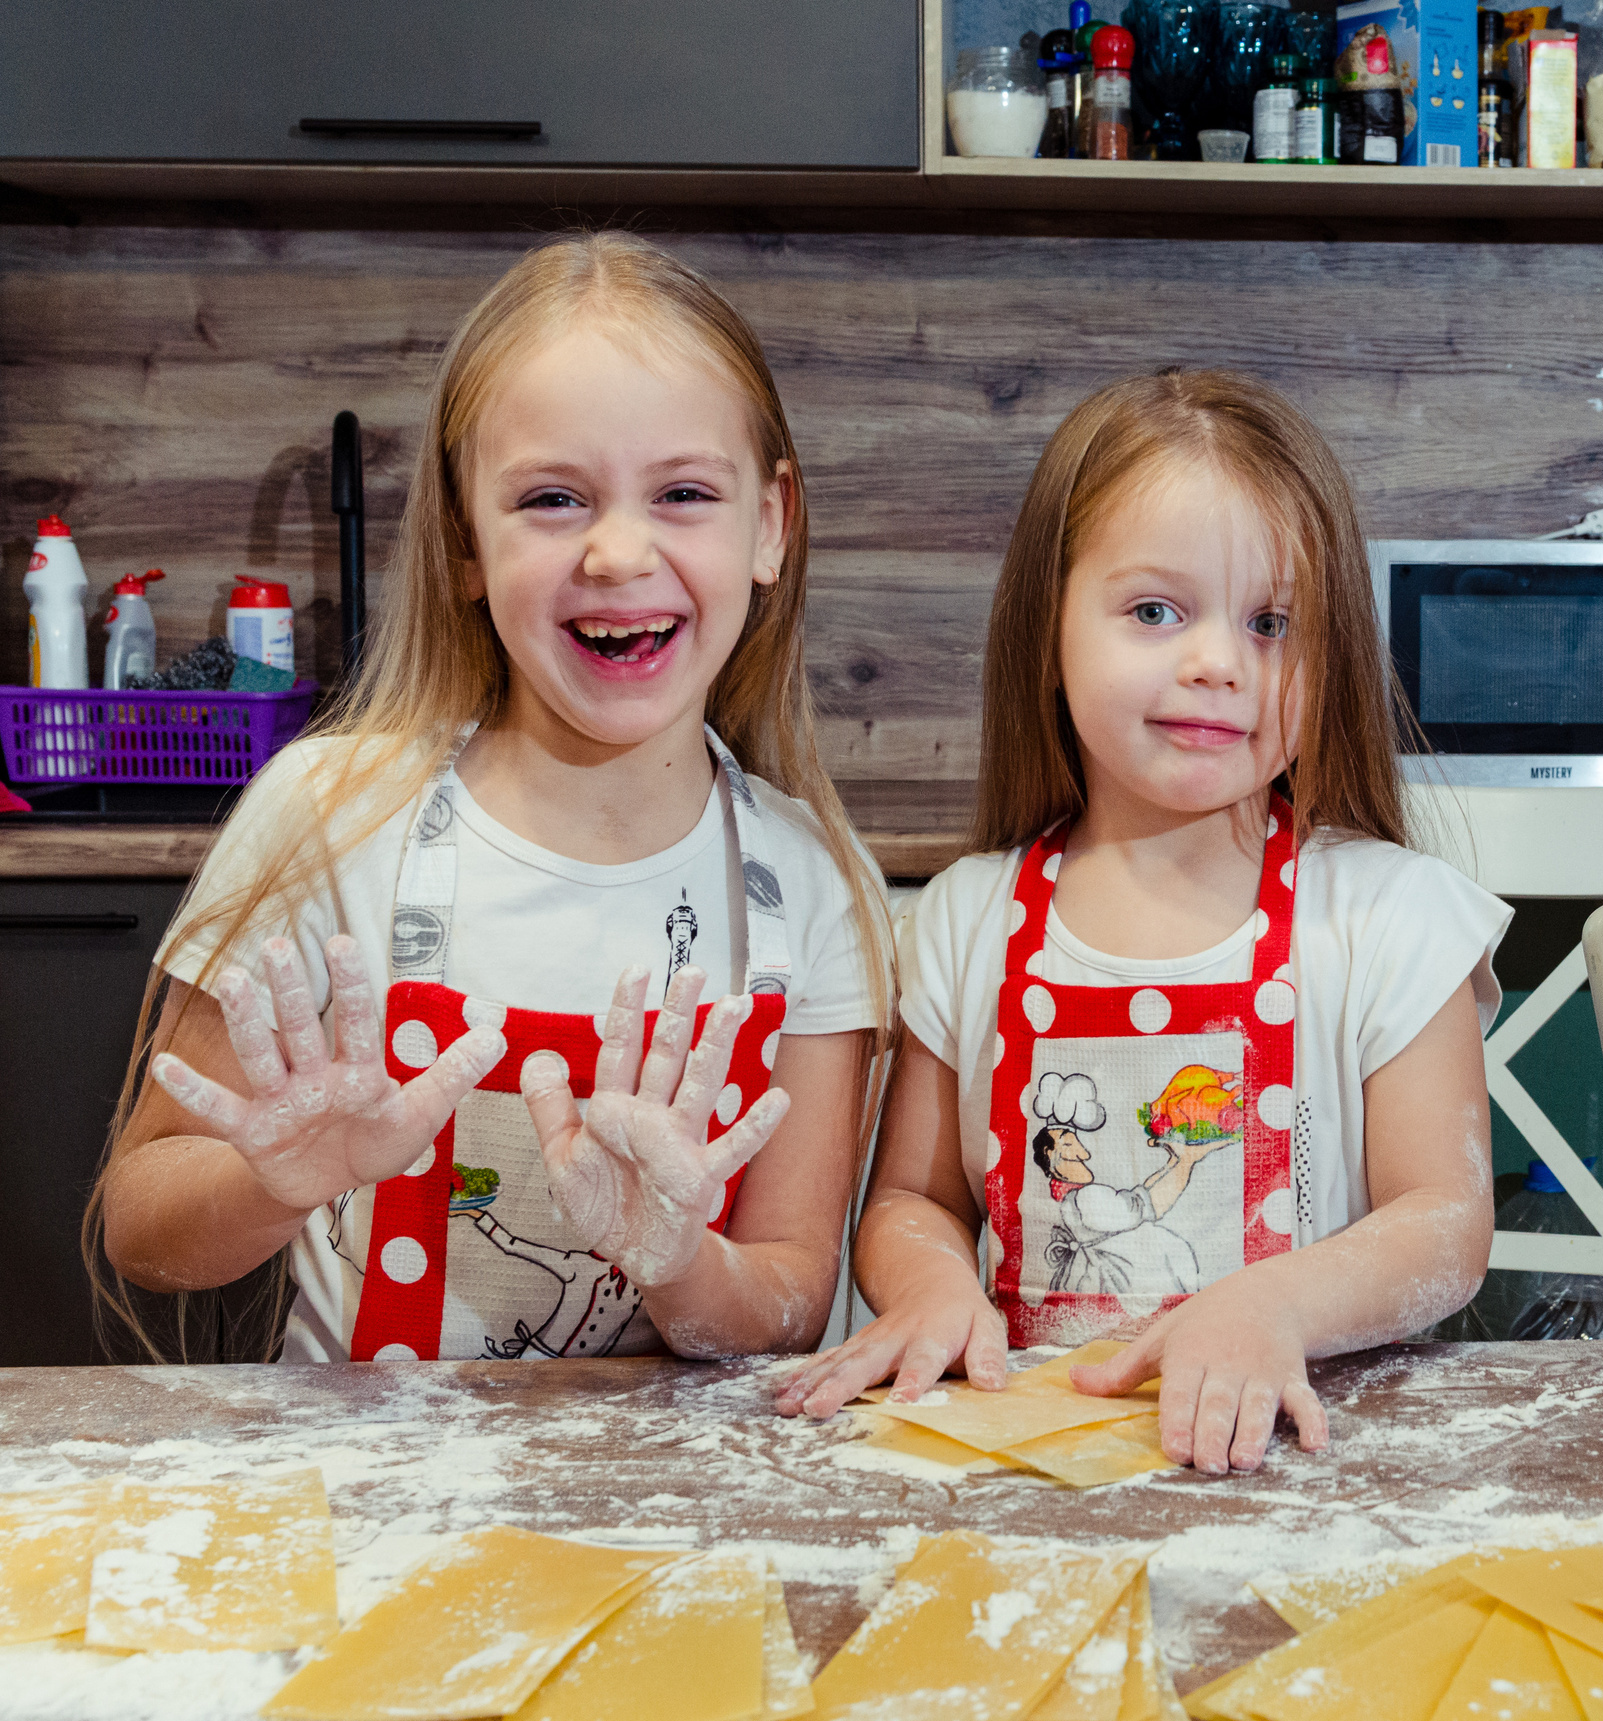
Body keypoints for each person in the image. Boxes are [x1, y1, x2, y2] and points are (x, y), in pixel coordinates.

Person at [92, 234, 893, 1367]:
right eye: (554, 498)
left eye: (683, 492)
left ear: (768, 525)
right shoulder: (329, 815)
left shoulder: (814, 880)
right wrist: (274, 1182)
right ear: (466, 539)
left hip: (657, 1525)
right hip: (371, 1516)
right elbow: (143, 1227)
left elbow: (787, 1298)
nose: (619, 552)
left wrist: (677, 1257)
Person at [773, 370, 1507, 1471]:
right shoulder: (969, 921)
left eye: (1270, 623)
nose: (1215, 662)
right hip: (1030, 1473)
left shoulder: (1387, 918)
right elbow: (912, 1198)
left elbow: (1443, 1223)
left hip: (1301, 1468)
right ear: (1049, 627)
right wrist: (931, 1284)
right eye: (1155, 611)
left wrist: (1274, 1308)